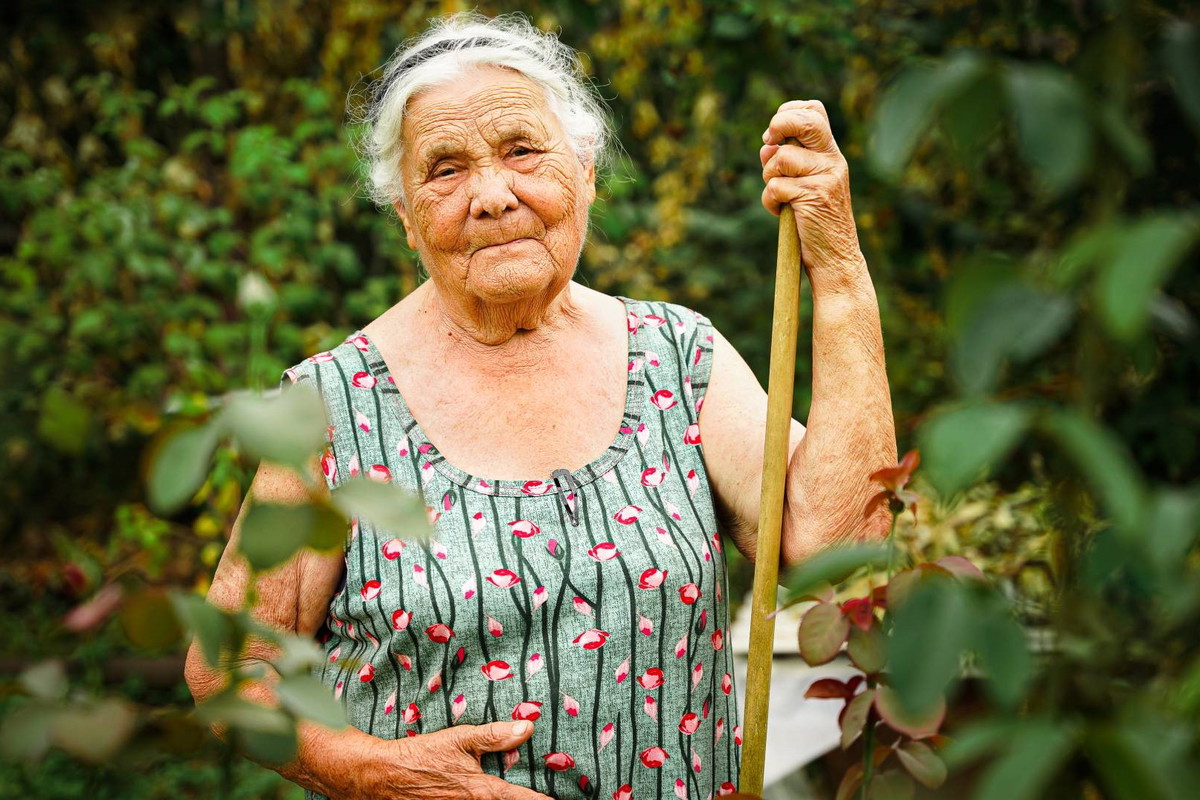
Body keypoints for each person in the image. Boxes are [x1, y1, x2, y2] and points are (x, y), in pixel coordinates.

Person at [185, 11, 896, 800]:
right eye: (444, 170)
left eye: (522, 151)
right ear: (405, 218)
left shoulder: (678, 356)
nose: (491, 195)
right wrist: (377, 773)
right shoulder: (332, 406)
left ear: (586, 170)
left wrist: (835, 258)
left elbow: (844, 549)